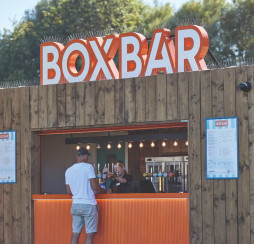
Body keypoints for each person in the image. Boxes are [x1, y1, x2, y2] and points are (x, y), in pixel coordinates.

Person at [65, 147, 111, 244]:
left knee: (75, 233)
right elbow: (94, 186)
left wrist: (78, 192)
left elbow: (69, 191)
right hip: (88, 205)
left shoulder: (68, 170)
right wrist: (105, 191)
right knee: (89, 234)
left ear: (77, 156)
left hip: (75, 205)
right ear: (85, 156)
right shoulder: (88, 167)